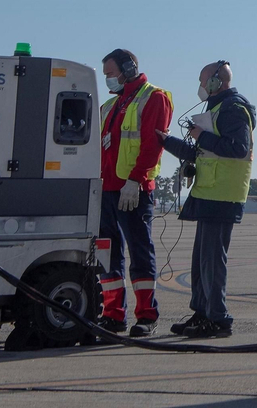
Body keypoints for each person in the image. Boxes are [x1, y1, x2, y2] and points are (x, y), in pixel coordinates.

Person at [158, 61, 255, 339]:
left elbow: (238, 149)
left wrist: (202, 136)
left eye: (203, 81)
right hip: (209, 192)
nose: (200, 87)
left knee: (212, 261)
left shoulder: (234, 108)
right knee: (201, 261)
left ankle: (218, 318)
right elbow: (201, 153)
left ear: (216, 82)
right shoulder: (216, 108)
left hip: (222, 195)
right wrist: (167, 142)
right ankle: (202, 313)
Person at [96, 49, 172, 337]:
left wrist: (136, 180)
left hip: (132, 190)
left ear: (128, 68)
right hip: (106, 190)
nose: (108, 80)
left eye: (111, 74)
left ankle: (146, 315)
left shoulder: (153, 98)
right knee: (108, 254)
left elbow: (152, 146)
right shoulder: (110, 106)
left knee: (140, 251)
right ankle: (113, 315)